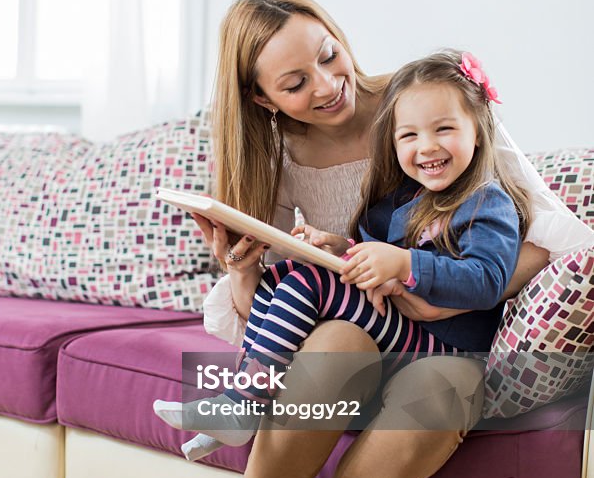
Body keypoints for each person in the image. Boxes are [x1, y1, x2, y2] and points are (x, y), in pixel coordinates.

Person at [167, 0, 593, 478]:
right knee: (335, 339)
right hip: (355, 335)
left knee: (440, 391)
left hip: (439, 349)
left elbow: (552, 236)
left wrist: (432, 292)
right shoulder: (281, 157)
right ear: (263, 100)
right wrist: (252, 269)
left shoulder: (425, 101)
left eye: (330, 56)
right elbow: (343, 258)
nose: (330, 85)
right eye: (296, 83)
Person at [155, 49, 531, 455]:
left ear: (477, 130)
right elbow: (382, 254)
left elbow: (487, 280)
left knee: (309, 283)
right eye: (409, 135)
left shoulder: (487, 202)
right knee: (283, 276)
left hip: (443, 346)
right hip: (404, 328)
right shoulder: (407, 197)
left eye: (444, 130)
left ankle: (242, 407)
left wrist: (405, 263)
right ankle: (237, 404)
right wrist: (343, 248)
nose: (426, 147)